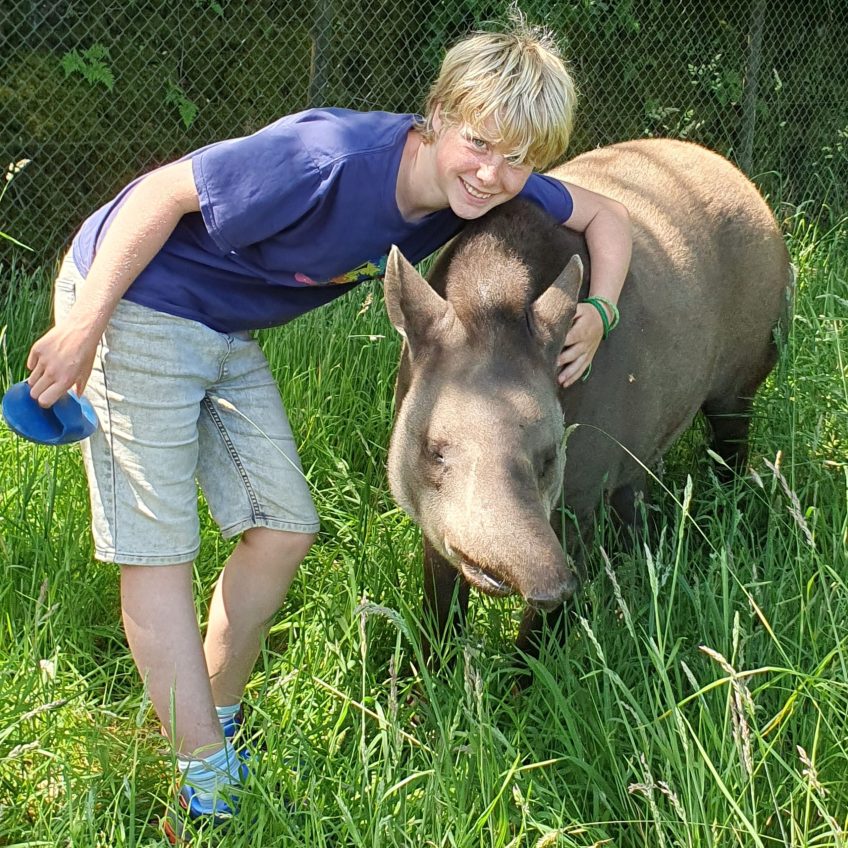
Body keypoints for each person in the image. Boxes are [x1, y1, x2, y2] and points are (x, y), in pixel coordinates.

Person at [24, 14, 631, 843]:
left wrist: (599, 307)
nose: (492, 174)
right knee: (156, 549)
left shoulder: (486, 185)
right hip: (132, 303)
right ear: (439, 116)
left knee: (283, 528)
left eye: (519, 156)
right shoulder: (327, 159)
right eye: (480, 142)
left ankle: (210, 728)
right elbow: (165, 192)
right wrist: (84, 324)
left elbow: (611, 222)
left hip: (217, 327)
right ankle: (207, 788)